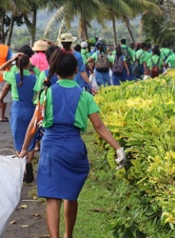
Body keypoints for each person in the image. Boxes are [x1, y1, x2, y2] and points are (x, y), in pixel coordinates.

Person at [19, 48, 126, 238]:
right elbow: (99, 127)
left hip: (51, 148)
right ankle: (68, 235)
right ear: (76, 71)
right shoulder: (84, 96)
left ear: (56, 71)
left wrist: (24, 150)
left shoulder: (46, 94)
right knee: (70, 195)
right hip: (74, 148)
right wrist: (118, 148)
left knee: (52, 198)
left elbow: (33, 125)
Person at [0, 53, 37, 183]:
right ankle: (29, 162)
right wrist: (33, 66)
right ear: (28, 65)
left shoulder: (13, 77)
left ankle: (21, 167)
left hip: (18, 110)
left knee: (18, 139)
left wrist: (11, 60)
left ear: (17, 65)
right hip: (31, 109)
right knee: (30, 138)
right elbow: (42, 74)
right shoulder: (35, 77)